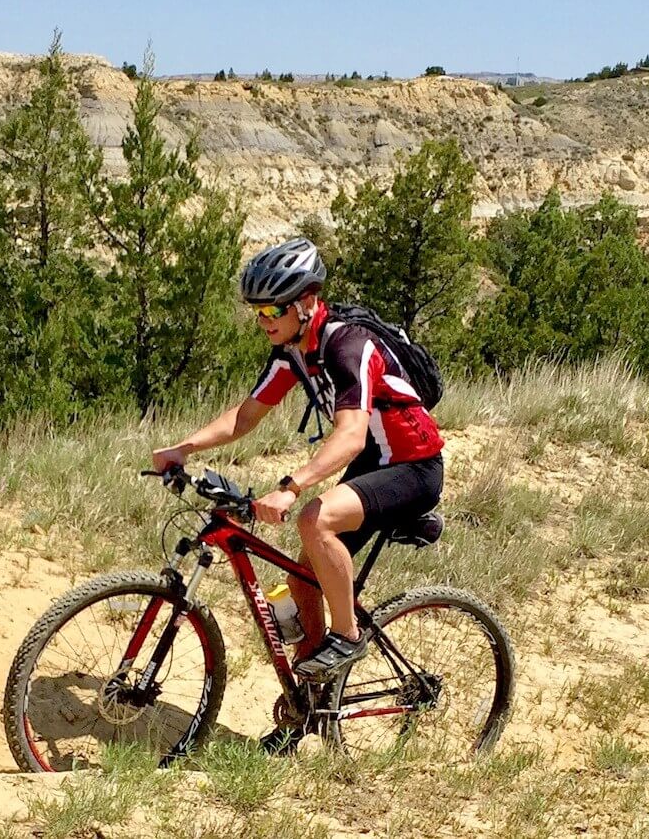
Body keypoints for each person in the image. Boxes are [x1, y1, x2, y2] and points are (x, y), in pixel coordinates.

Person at [150, 236, 444, 710]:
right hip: (375, 462)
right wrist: (182, 449)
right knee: (306, 574)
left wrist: (291, 487)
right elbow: (245, 416)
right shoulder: (293, 350)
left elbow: (349, 435)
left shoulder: (349, 345)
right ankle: (309, 705)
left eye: (272, 312)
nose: (263, 322)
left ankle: (347, 636)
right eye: (258, 313)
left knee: (314, 520)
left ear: (306, 302)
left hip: (414, 466)